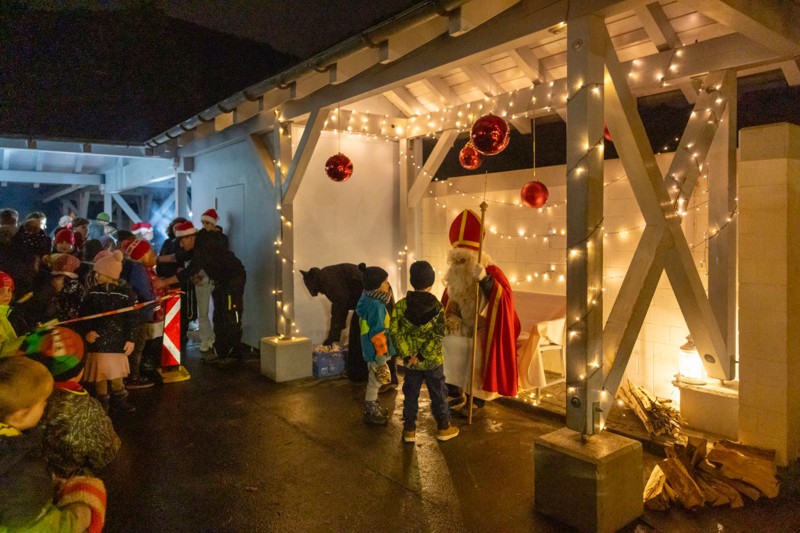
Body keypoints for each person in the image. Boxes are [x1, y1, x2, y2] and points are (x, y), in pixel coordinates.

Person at [0, 356, 106, 532]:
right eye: (42, 402)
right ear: (20, 415)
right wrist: (81, 513)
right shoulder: (20, 472)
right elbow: (39, 528)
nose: (46, 405)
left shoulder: (16, 451)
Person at [442, 209, 521, 412]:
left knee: (475, 350)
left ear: (473, 258)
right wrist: (452, 319)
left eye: (463, 260)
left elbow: (503, 301)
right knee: (445, 341)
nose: (459, 265)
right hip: (464, 324)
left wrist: (485, 280)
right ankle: (454, 391)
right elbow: (451, 305)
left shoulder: (491, 271)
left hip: (486, 327)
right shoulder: (455, 276)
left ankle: (475, 400)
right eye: (456, 261)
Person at [23, 328, 121, 478]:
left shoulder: (24, 398)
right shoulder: (89, 410)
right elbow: (107, 451)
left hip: (29, 478)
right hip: (70, 480)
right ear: (79, 371)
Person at [155, 221, 246, 367]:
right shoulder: (197, 244)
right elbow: (179, 257)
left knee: (230, 315)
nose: (181, 245)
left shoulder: (204, 246)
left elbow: (190, 271)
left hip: (232, 280)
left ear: (191, 238)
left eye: (182, 241)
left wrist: (164, 282)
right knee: (219, 316)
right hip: (221, 281)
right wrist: (157, 259)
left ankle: (234, 354)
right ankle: (221, 352)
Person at [389, 260, 458, 442]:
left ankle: (409, 430)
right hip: (432, 361)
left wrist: (407, 355)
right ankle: (444, 428)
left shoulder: (401, 306)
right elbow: (437, 336)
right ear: (431, 283)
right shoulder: (437, 307)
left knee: (410, 394)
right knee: (439, 394)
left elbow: (395, 333)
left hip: (411, 363)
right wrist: (422, 355)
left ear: (412, 280)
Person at [78, 250, 138, 414]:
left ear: (107, 273)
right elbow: (84, 316)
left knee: (116, 374)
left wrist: (131, 338)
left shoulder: (125, 294)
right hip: (98, 342)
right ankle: (102, 401)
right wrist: (87, 331)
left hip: (117, 342)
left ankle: (118, 399)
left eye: (98, 273)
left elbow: (132, 318)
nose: (96, 276)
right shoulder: (93, 293)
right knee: (101, 375)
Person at [300, 263, 365, 379]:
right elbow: (341, 304)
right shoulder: (327, 274)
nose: (320, 292)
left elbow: (340, 304)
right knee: (356, 337)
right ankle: (358, 372)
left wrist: (332, 337)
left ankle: (358, 374)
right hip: (363, 301)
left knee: (357, 338)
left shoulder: (326, 278)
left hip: (365, 302)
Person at [354, 263, 395, 425]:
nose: (388, 284)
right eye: (385, 281)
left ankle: (373, 406)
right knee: (375, 381)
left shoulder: (367, 298)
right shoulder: (376, 306)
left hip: (369, 347)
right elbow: (378, 333)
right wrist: (381, 356)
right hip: (376, 350)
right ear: (376, 284)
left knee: (374, 378)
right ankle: (371, 410)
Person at [195, 208, 228, 353]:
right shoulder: (205, 236)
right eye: (203, 223)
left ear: (213, 223)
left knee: (214, 310)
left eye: (207, 223)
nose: (204, 226)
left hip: (211, 276)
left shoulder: (213, 237)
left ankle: (211, 338)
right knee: (203, 311)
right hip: (206, 276)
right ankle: (206, 338)